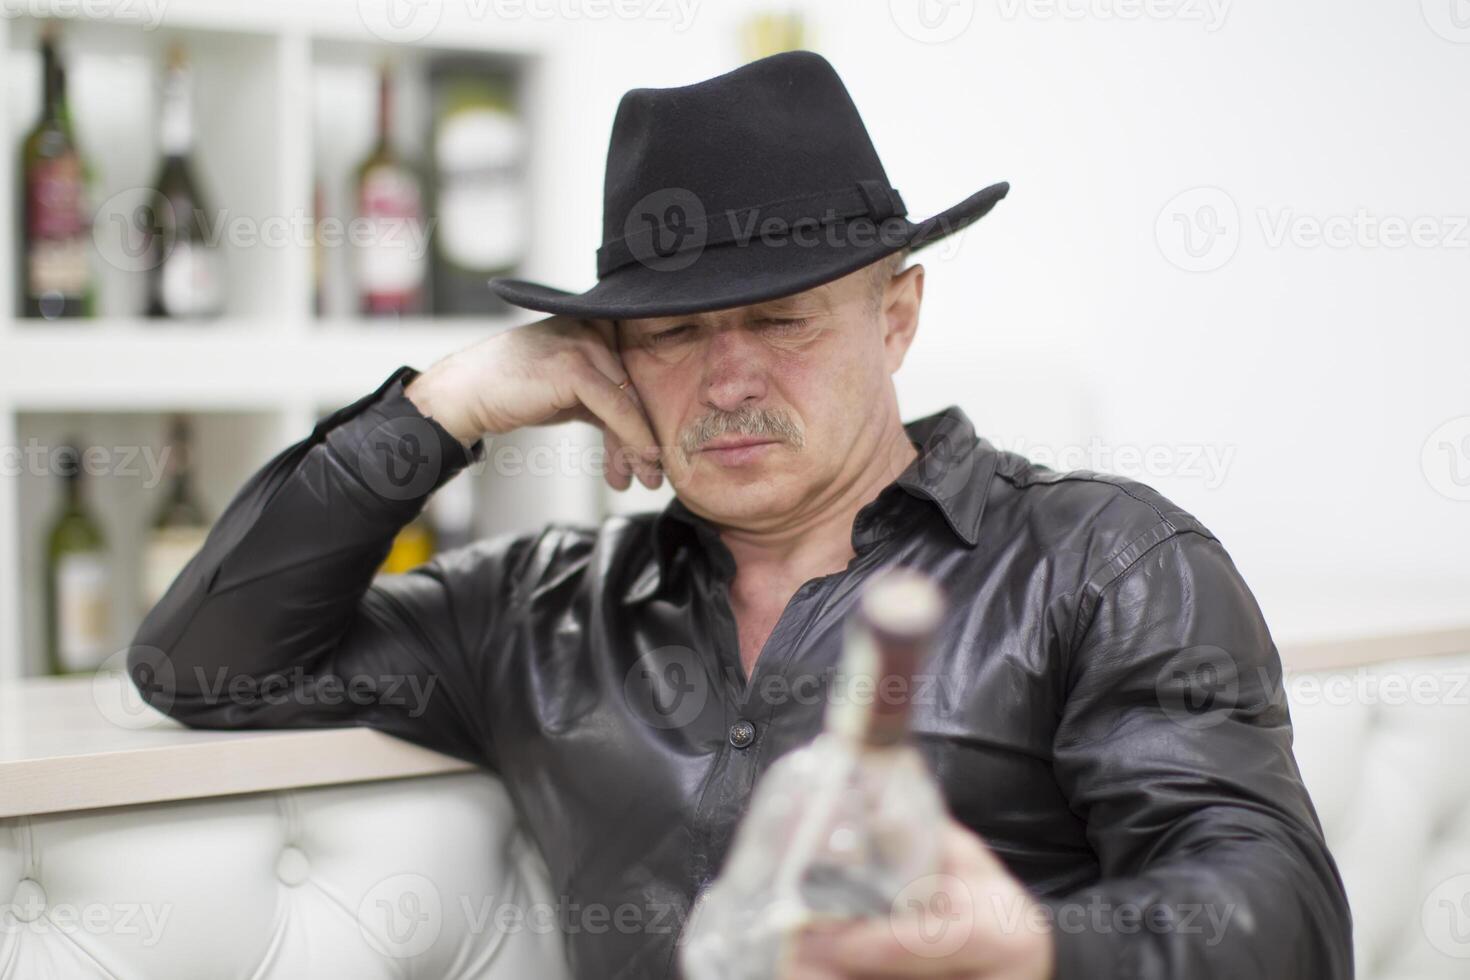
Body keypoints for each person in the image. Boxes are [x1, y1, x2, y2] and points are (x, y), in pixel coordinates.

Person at [130, 50, 1352, 979]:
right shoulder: (544, 610)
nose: (727, 380)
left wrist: (1031, 942)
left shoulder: (1105, 563)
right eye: (670, 334)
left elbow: (1281, 912)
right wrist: (448, 403)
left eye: (781, 321)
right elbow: (203, 665)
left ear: (897, 314)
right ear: (602, 358)